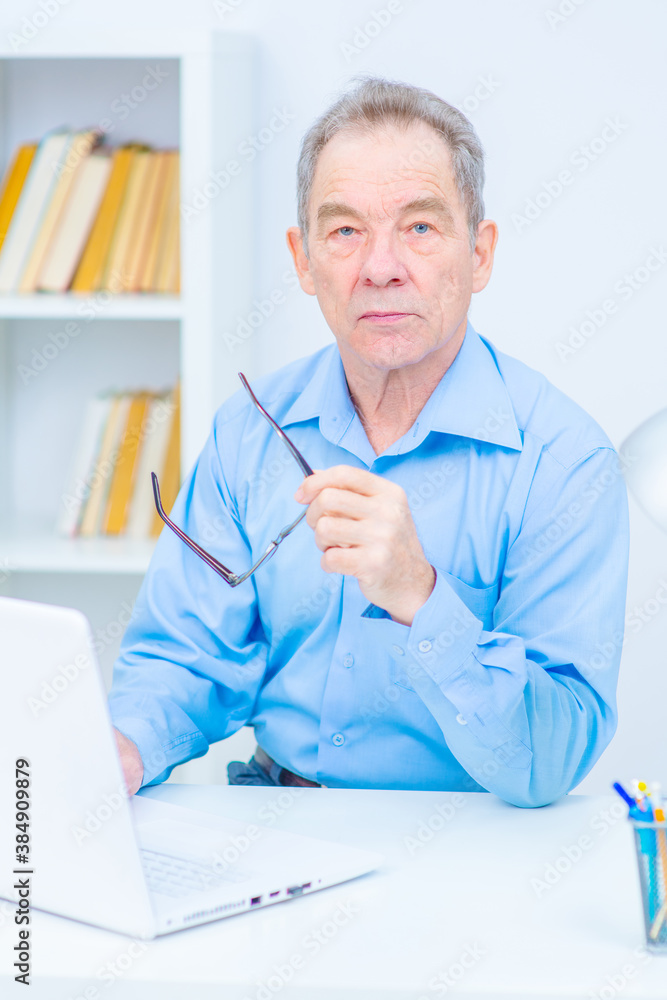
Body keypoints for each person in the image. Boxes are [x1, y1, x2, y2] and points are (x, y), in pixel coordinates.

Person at [109, 76, 629, 808]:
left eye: (419, 228)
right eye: (345, 231)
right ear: (303, 259)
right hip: (275, 819)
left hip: (473, 839)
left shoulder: (565, 462)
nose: (380, 268)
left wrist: (422, 597)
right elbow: (186, 658)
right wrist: (126, 746)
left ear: (479, 255)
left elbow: (551, 757)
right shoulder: (247, 431)